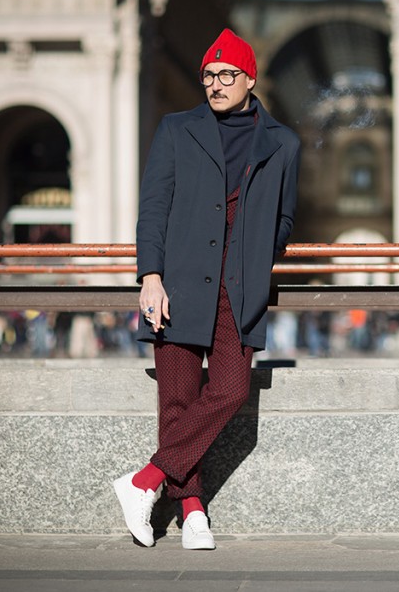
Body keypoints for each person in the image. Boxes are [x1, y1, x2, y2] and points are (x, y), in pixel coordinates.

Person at [113, 28, 300, 550]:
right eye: (209, 76)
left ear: (250, 79)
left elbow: (285, 217)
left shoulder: (282, 142)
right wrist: (150, 277)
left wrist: (260, 247)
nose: (216, 85)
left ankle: (144, 481)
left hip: (238, 289)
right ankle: (192, 509)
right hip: (178, 284)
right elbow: (153, 208)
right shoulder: (177, 129)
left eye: (227, 75)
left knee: (231, 388)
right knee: (176, 400)